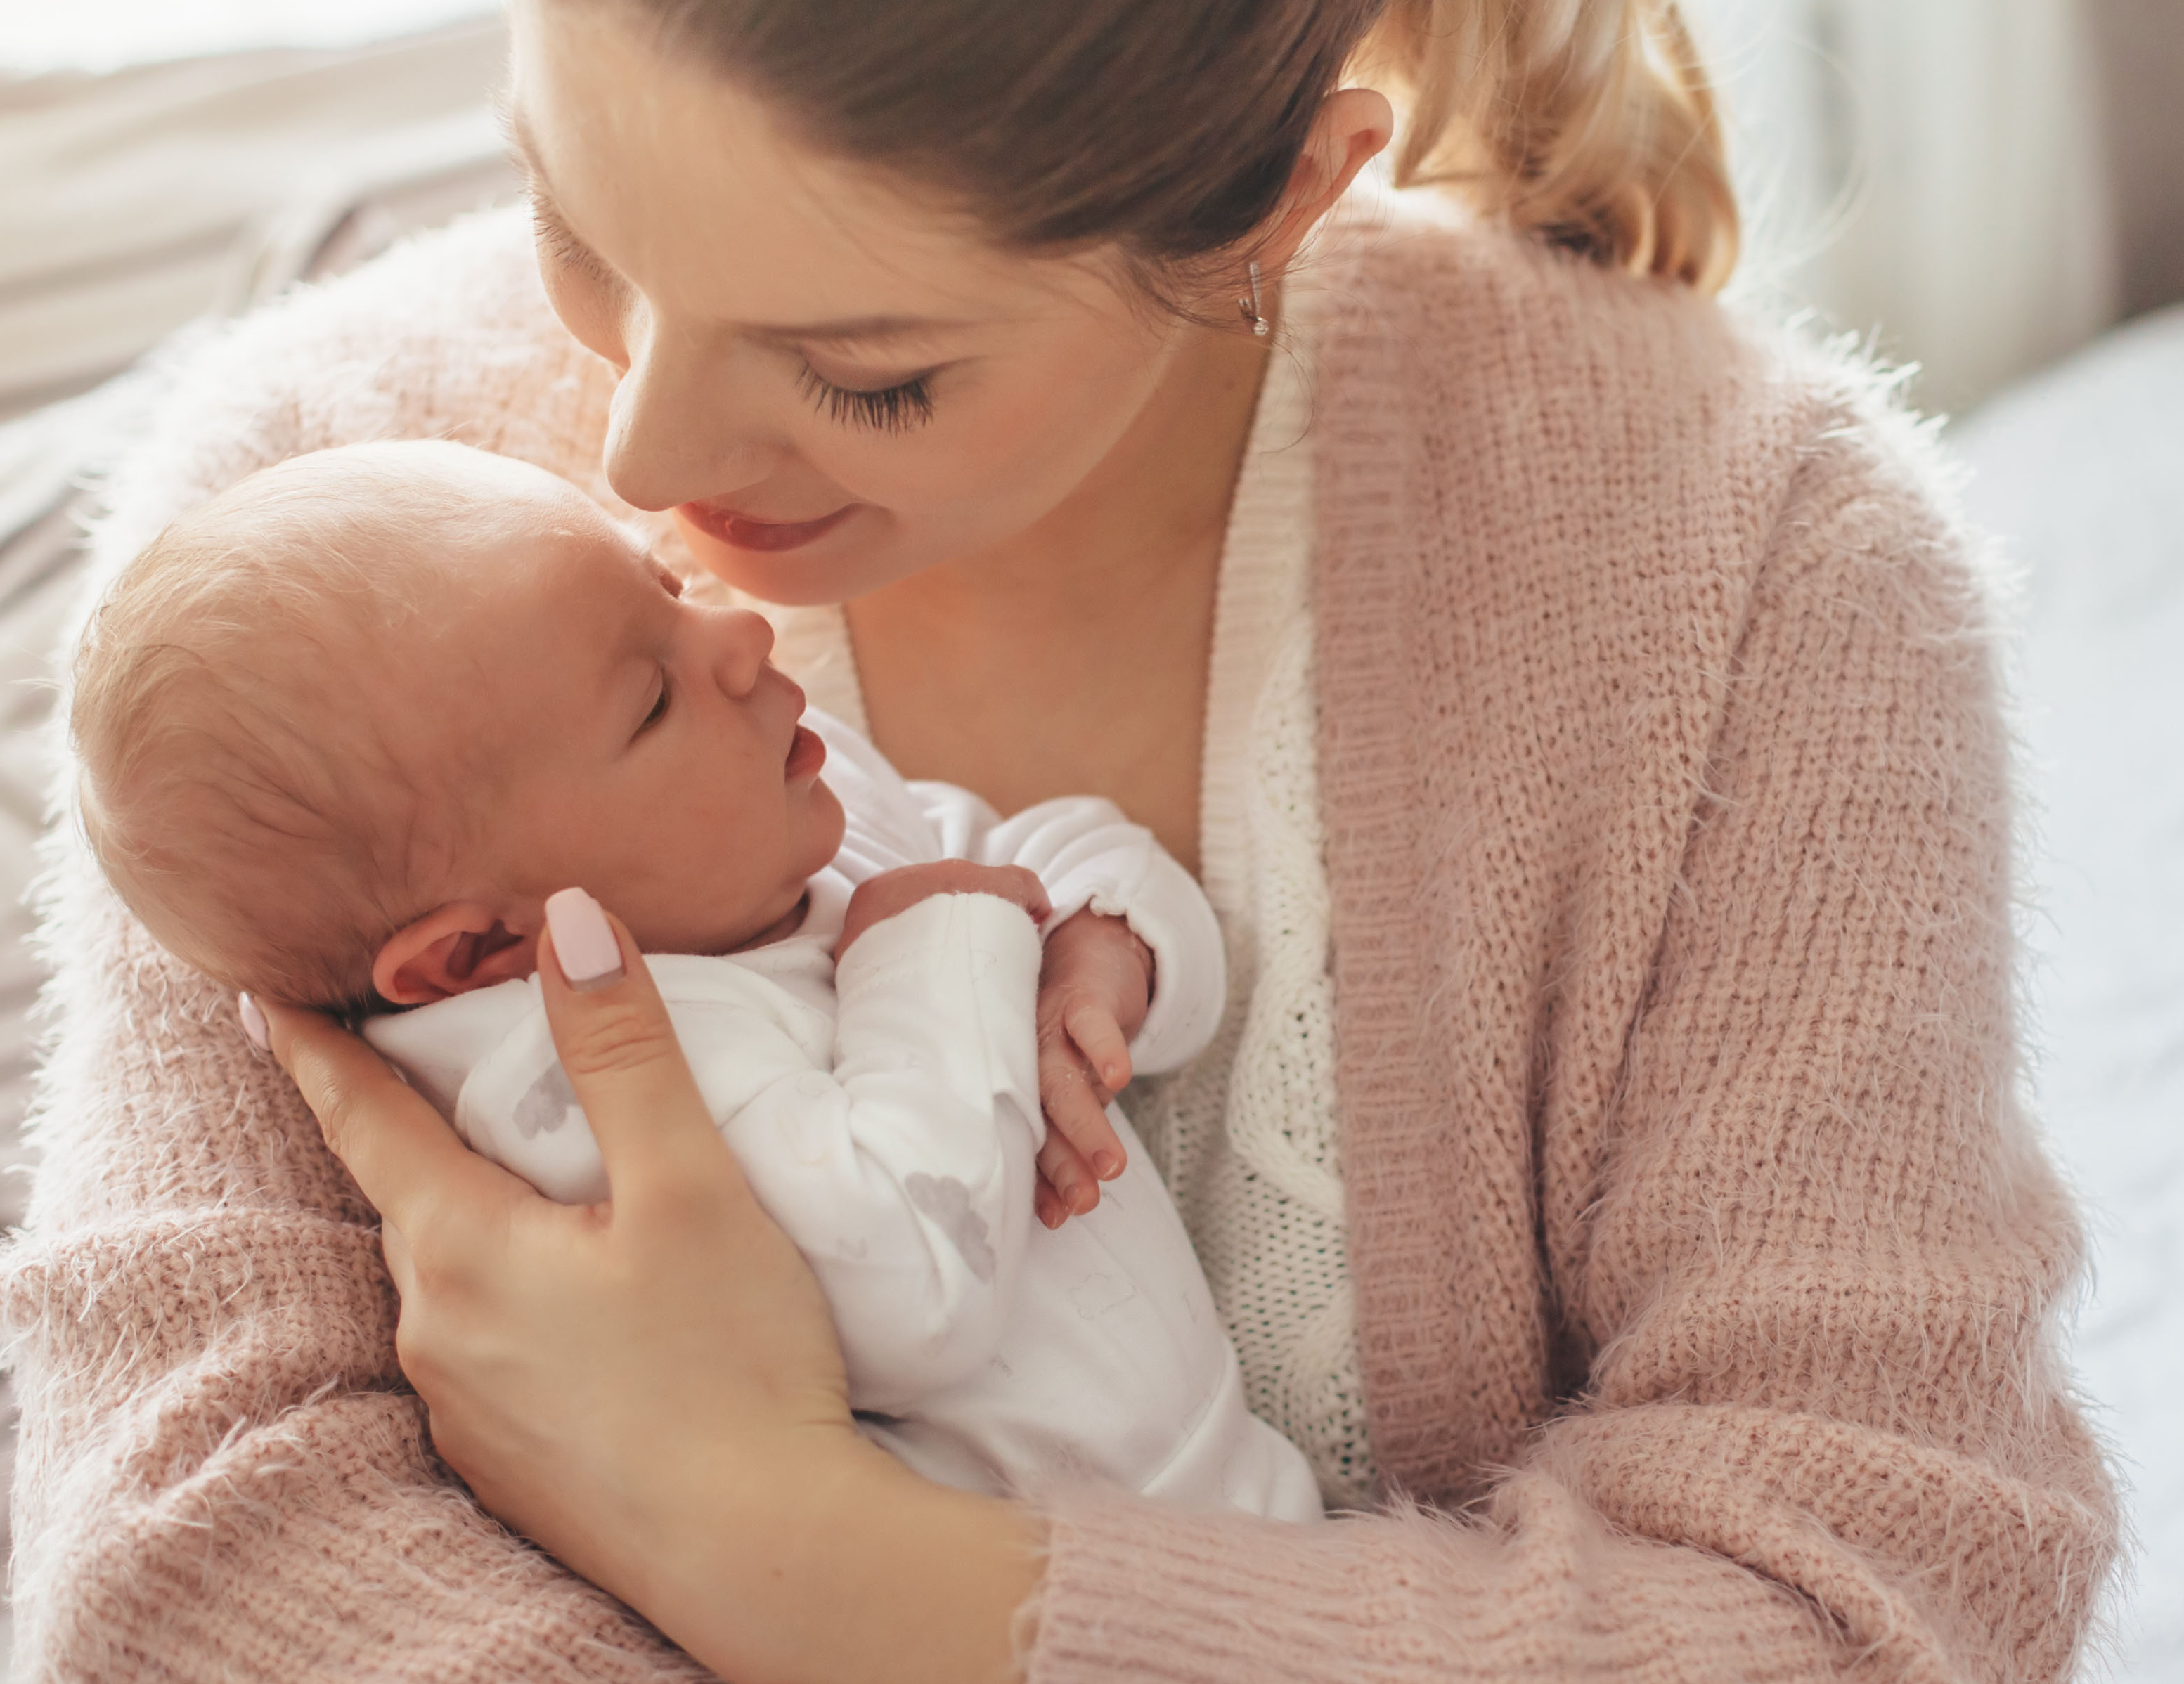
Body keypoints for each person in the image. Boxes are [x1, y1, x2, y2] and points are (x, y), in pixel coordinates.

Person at [0, 0, 2119, 1684]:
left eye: (867, 372)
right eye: (574, 221)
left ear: (1280, 191)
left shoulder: (1752, 580)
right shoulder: (313, 542)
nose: (641, 464)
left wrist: (794, 1559)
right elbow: (188, 1640)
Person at [64, 438, 1322, 1522]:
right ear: (475, 954)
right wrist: (934, 942)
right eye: (651, 700)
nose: (736, 634)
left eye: (664, 586)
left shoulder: (783, 830)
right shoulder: (574, 1087)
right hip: (1041, 1599)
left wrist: (1103, 950)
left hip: (1236, 1488)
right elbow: (913, 1294)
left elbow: (1045, 850)